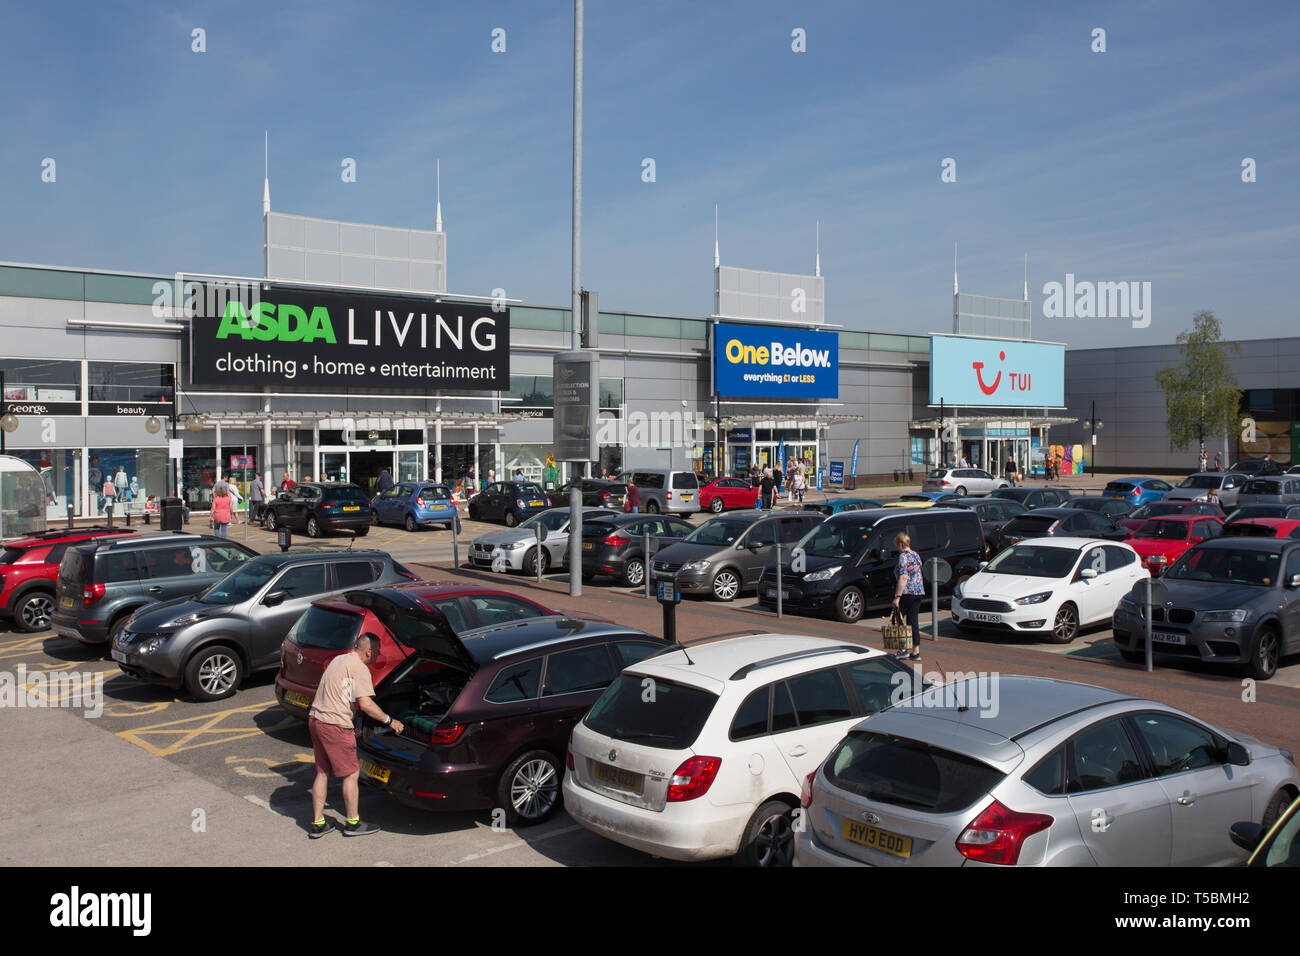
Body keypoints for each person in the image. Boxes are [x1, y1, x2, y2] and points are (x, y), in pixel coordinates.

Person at [307, 633, 404, 838]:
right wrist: (390, 721)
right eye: (377, 651)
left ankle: (318, 823)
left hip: (316, 719)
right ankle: (353, 823)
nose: (378, 654)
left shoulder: (340, 659)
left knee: (323, 773)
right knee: (351, 774)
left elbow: (349, 696)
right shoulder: (360, 669)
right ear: (368, 651)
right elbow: (367, 704)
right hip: (335, 726)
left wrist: (354, 714)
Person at [890, 532, 924, 663]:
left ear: (900, 544)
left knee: (897, 620)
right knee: (913, 621)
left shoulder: (903, 557)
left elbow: (903, 577)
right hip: (918, 592)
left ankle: (903, 650)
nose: (896, 548)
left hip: (907, 592)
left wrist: (897, 597)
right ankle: (916, 651)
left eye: (896, 545)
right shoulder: (916, 555)